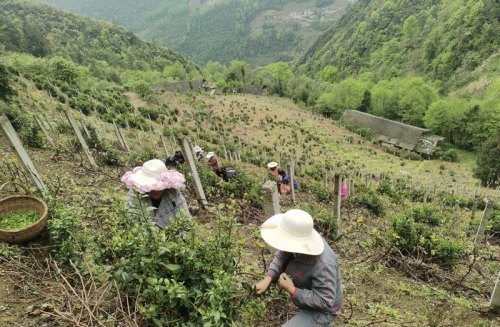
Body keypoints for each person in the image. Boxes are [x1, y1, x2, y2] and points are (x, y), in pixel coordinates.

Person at [254, 209, 343, 326]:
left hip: (324, 310)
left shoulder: (324, 264)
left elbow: (326, 301)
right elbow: (281, 255)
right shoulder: (295, 239)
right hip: (308, 298)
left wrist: (293, 290)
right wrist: (268, 278)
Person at [121, 159, 190, 229]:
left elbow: (186, 221)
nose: (155, 190)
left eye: (158, 186)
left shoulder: (173, 193)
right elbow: (129, 219)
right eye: (152, 186)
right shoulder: (135, 193)